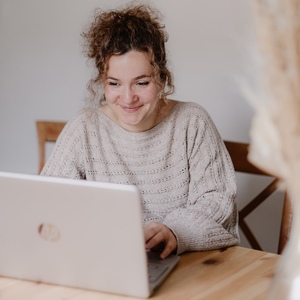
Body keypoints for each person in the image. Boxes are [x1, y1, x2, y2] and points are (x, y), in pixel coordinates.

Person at [41, 3, 239, 259]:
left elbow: (218, 199)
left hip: (186, 265)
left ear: (162, 79)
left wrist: (174, 231)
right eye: (114, 83)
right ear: (102, 82)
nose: (128, 98)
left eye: (142, 83)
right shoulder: (84, 128)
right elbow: (48, 202)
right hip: (108, 262)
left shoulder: (192, 122)